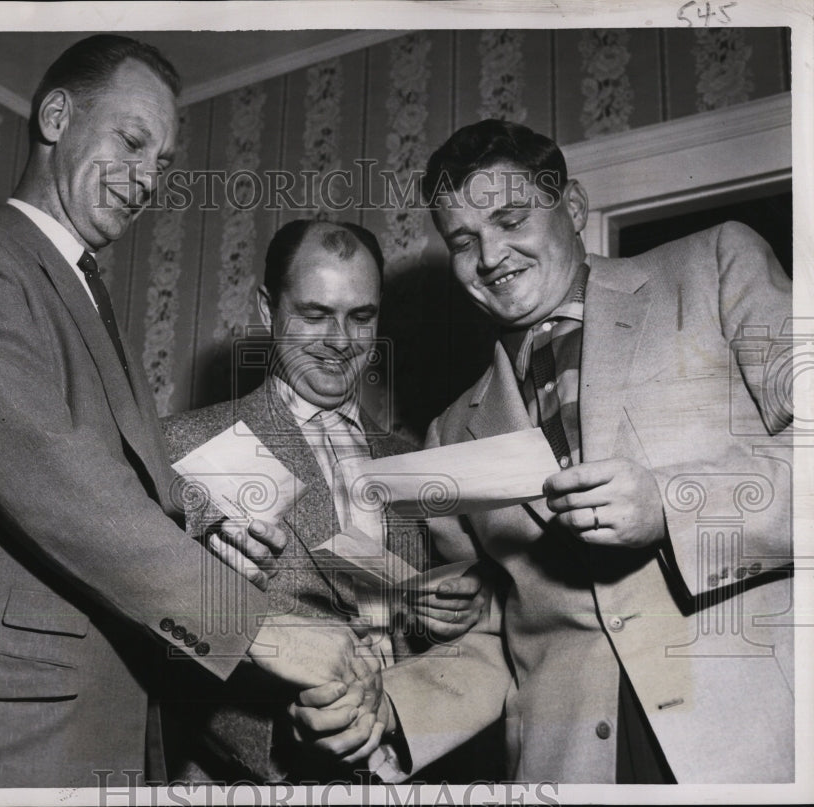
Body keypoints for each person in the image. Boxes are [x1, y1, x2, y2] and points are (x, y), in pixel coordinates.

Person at [0, 36, 374, 789]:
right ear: (57, 115)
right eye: (131, 140)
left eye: (161, 164)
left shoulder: (93, 304)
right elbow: (45, 471)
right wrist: (260, 625)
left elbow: (101, 482)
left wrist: (200, 525)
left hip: (96, 740)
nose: (147, 179)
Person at [292, 119, 794, 784]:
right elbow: (495, 633)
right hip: (573, 765)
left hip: (759, 738)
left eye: (510, 218)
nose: (490, 255)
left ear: (575, 209)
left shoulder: (714, 266)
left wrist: (670, 504)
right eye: (463, 241)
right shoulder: (449, 431)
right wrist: (392, 705)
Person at [161, 218, 489, 783]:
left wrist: (459, 607)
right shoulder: (184, 444)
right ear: (269, 310)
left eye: (361, 317)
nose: (341, 342)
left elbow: (440, 638)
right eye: (315, 315)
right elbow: (157, 635)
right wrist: (282, 732)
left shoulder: (413, 460)